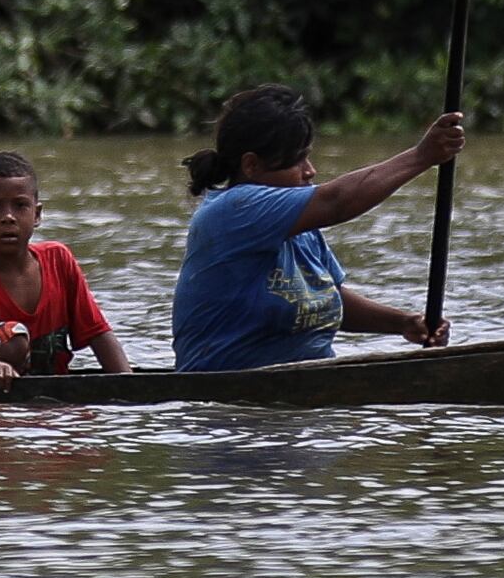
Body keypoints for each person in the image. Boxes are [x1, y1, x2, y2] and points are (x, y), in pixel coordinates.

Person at [170, 82, 462, 372]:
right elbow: (336, 201)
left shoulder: (300, 225)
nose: (310, 171)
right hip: (229, 399)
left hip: (304, 393)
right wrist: (422, 156)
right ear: (251, 166)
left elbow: (321, 298)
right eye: (297, 161)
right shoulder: (235, 209)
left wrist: (403, 323)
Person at [0, 149, 129, 381]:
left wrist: (131, 385)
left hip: (57, 408)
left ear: (37, 214)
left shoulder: (59, 259)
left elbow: (99, 334)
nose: (8, 217)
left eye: (20, 205)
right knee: (13, 339)